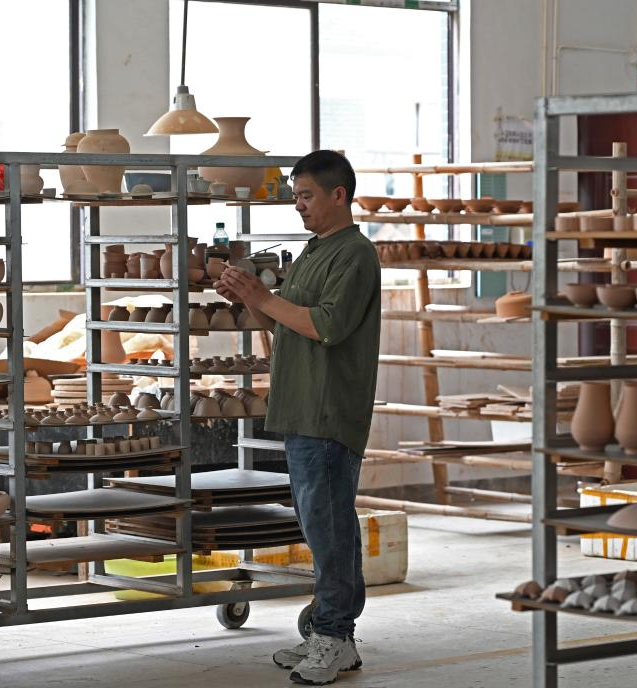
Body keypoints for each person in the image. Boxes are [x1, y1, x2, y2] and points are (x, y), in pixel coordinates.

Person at [216, 150, 380, 686]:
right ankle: (335, 638)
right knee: (324, 523)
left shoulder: (355, 254)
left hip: (329, 408)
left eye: (307, 196)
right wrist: (249, 298)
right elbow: (285, 322)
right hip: (301, 405)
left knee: (329, 527)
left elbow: (326, 326)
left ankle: (333, 634)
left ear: (339, 195)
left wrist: (264, 296)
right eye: (295, 197)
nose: (299, 206)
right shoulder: (315, 250)